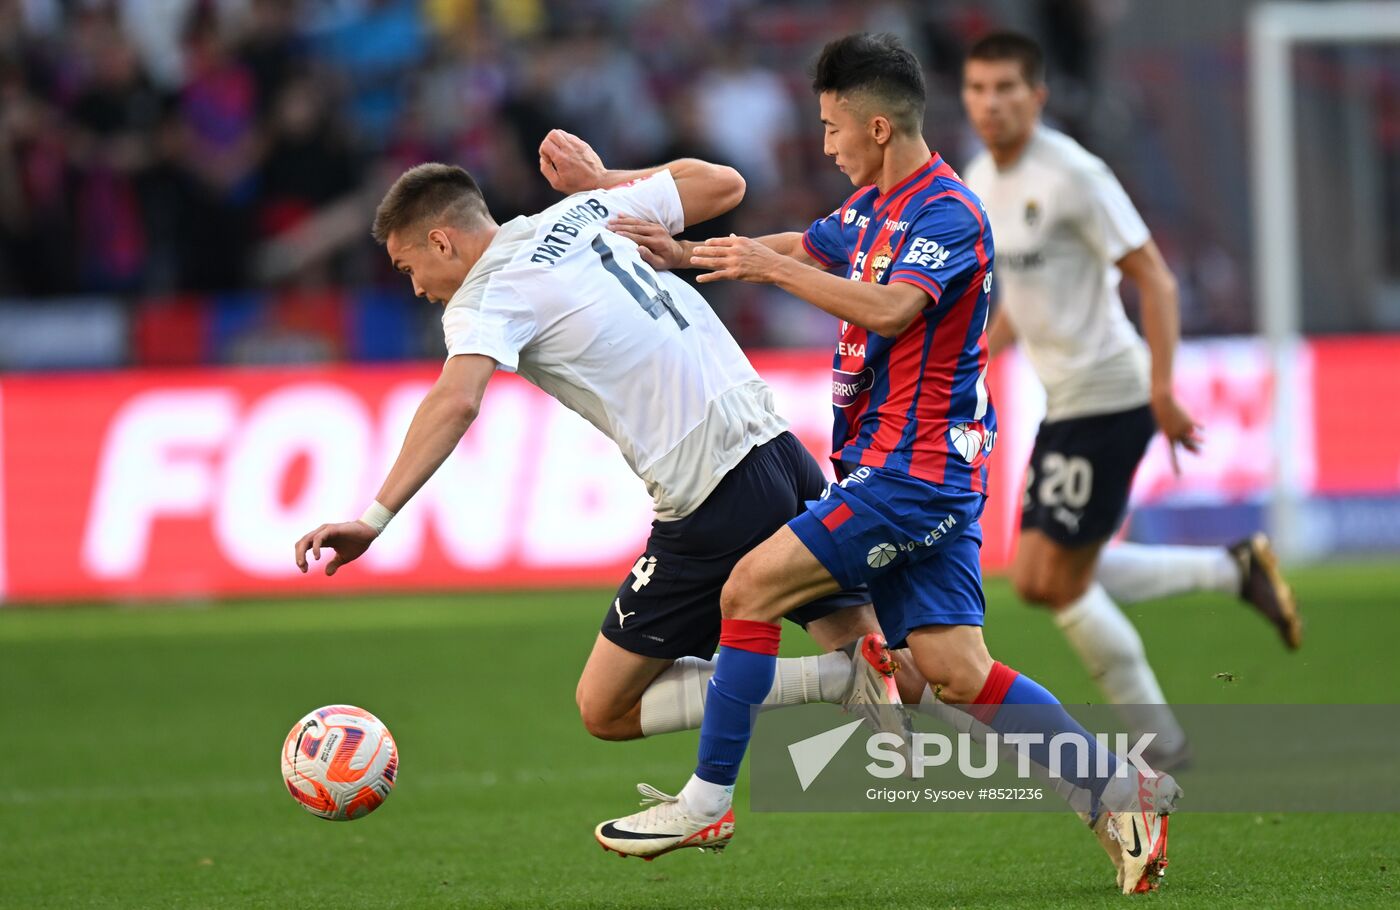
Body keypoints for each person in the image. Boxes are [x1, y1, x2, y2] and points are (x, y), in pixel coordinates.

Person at [598, 32, 1176, 895]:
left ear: (876, 126)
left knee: (747, 591)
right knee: (951, 669)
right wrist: (697, 256)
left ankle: (707, 799)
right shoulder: (873, 206)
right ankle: (1114, 790)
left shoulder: (946, 210)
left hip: (912, 475)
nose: (824, 144)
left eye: (832, 128)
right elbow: (811, 244)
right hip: (904, 468)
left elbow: (897, 309)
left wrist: (764, 267)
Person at [291, 132, 904, 759]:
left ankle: (839, 683)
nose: (417, 287)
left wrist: (373, 519)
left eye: (408, 267)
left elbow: (456, 400)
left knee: (607, 706)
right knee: (879, 664)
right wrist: (604, 177)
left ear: (442, 242)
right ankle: (961, 762)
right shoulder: (584, 207)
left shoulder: (483, 296)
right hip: (781, 452)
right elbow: (725, 183)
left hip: (710, 489)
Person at [960, 31, 1301, 765]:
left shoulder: (1074, 175)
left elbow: (1156, 278)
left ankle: (1163, 743)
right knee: (1046, 575)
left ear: (1037, 96)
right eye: (979, 90)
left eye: (1006, 89)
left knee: (1051, 581)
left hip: (1112, 393)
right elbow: (1021, 293)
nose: (991, 104)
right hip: (1067, 399)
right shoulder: (979, 180)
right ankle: (1231, 570)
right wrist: (982, 356)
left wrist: (1163, 391)